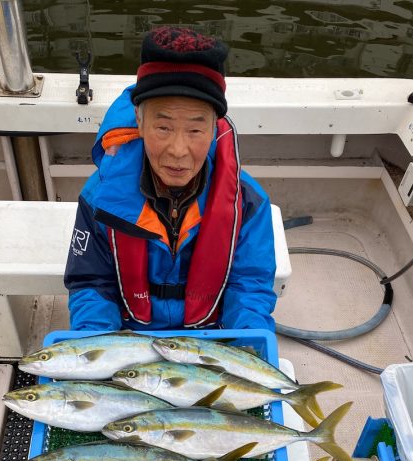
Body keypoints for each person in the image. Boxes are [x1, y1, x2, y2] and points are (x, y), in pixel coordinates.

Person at [64, 25, 277, 331]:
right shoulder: (98, 196)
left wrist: (246, 344)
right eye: (163, 128)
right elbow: (91, 284)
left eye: (195, 129)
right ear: (139, 119)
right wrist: (95, 347)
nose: (178, 151)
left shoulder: (249, 203)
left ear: (215, 127)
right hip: (128, 332)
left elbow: (249, 290)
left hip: (209, 335)